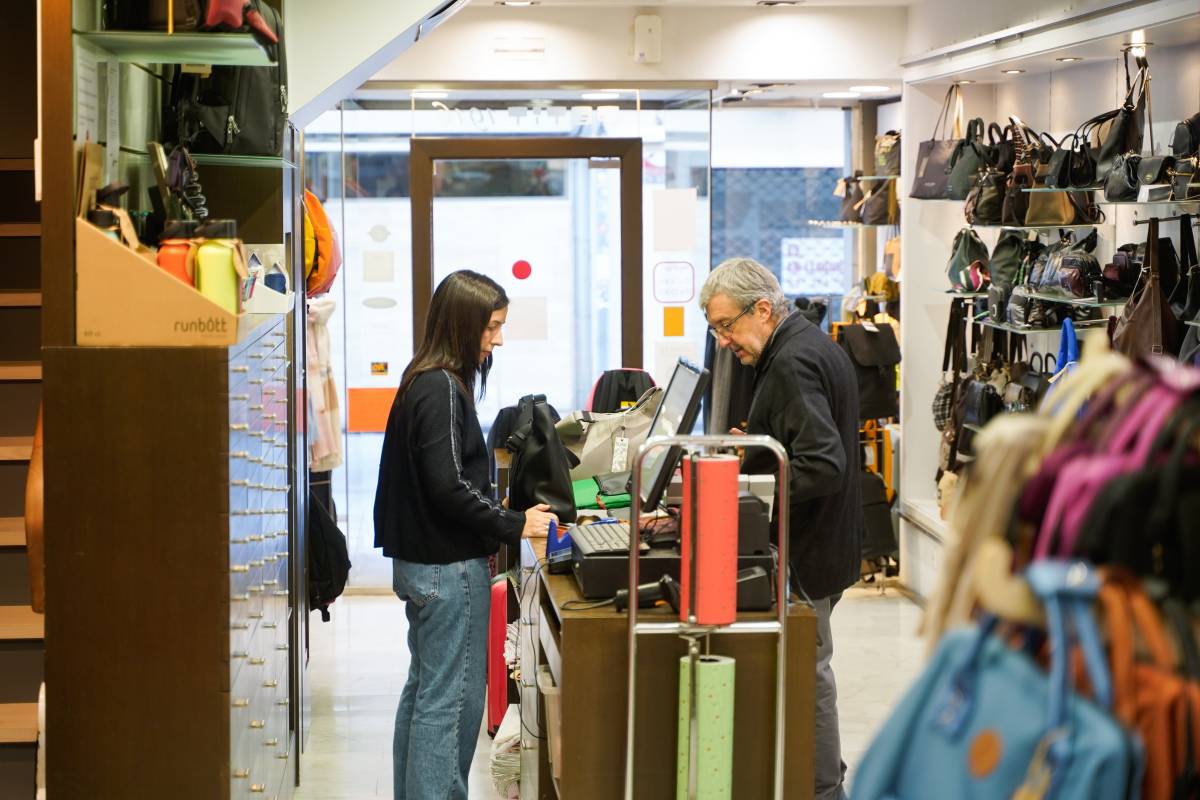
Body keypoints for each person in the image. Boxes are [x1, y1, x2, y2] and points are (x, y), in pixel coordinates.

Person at [374, 269, 557, 800]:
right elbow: (448, 486)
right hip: (447, 569)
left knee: (425, 694)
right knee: (450, 704)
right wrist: (515, 524)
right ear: (462, 324)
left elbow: (444, 481)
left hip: (424, 566)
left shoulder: (423, 379)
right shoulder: (441, 389)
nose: (497, 339)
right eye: (491, 327)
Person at [699, 257, 863, 800]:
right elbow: (805, 436)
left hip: (807, 549)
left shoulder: (791, 362)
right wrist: (758, 441)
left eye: (726, 326)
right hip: (826, 542)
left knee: (807, 673)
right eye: (716, 330)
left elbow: (823, 463)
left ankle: (824, 790)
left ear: (763, 309)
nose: (723, 342)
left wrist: (753, 491)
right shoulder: (807, 344)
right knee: (805, 669)